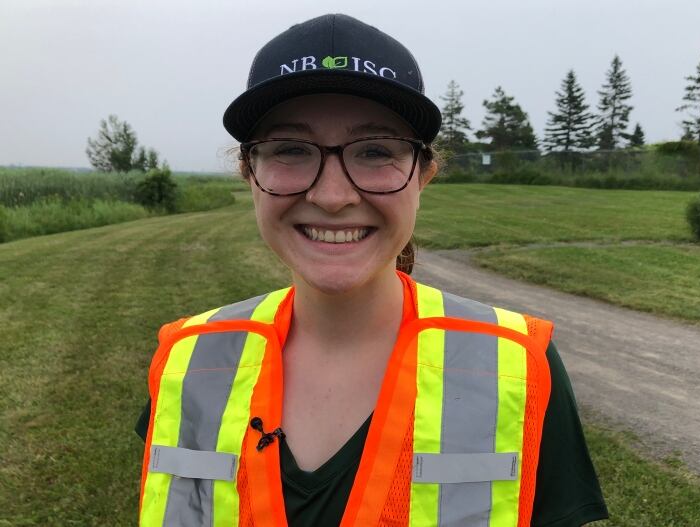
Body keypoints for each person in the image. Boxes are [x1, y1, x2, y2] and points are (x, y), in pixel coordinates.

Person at [135, 13, 608, 527]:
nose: (332, 196)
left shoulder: (519, 367)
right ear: (249, 172)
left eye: (376, 151)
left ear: (423, 175)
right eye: (291, 149)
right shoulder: (188, 363)